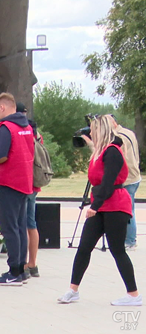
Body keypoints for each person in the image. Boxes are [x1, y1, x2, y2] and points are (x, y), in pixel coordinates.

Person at [57, 115, 141, 306]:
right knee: (84, 247)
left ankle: (133, 294)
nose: (90, 133)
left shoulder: (113, 152)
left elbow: (109, 183)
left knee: (117, 249)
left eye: (93, 129)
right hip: (101, 203)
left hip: (115, 205)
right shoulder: (100, 151)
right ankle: (73, 289)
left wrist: (93, 207)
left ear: (101, 130)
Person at [0, 92, 34, 286]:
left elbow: (2, 155)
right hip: (24, 181)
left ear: (2, 107)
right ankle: (21, 270)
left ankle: (13, 272)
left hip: (9, 181)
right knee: (20, 226)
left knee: (9, 227)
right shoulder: (26, 126)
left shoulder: (5, 127)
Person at [109, 115, 141, 250]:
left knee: (127, 211)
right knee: (129, 209)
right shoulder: (128, 132)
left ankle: (130, 241)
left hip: (128, 178)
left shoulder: (118, 138)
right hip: (135, 176)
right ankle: (127, 239)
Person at [17, 102, 41, 278]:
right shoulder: (35, 133)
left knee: (22, 224)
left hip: (23, 183)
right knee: (31, 224)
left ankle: (22, 262)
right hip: (34, 184)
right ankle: (33, 263)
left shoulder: (20, 131)